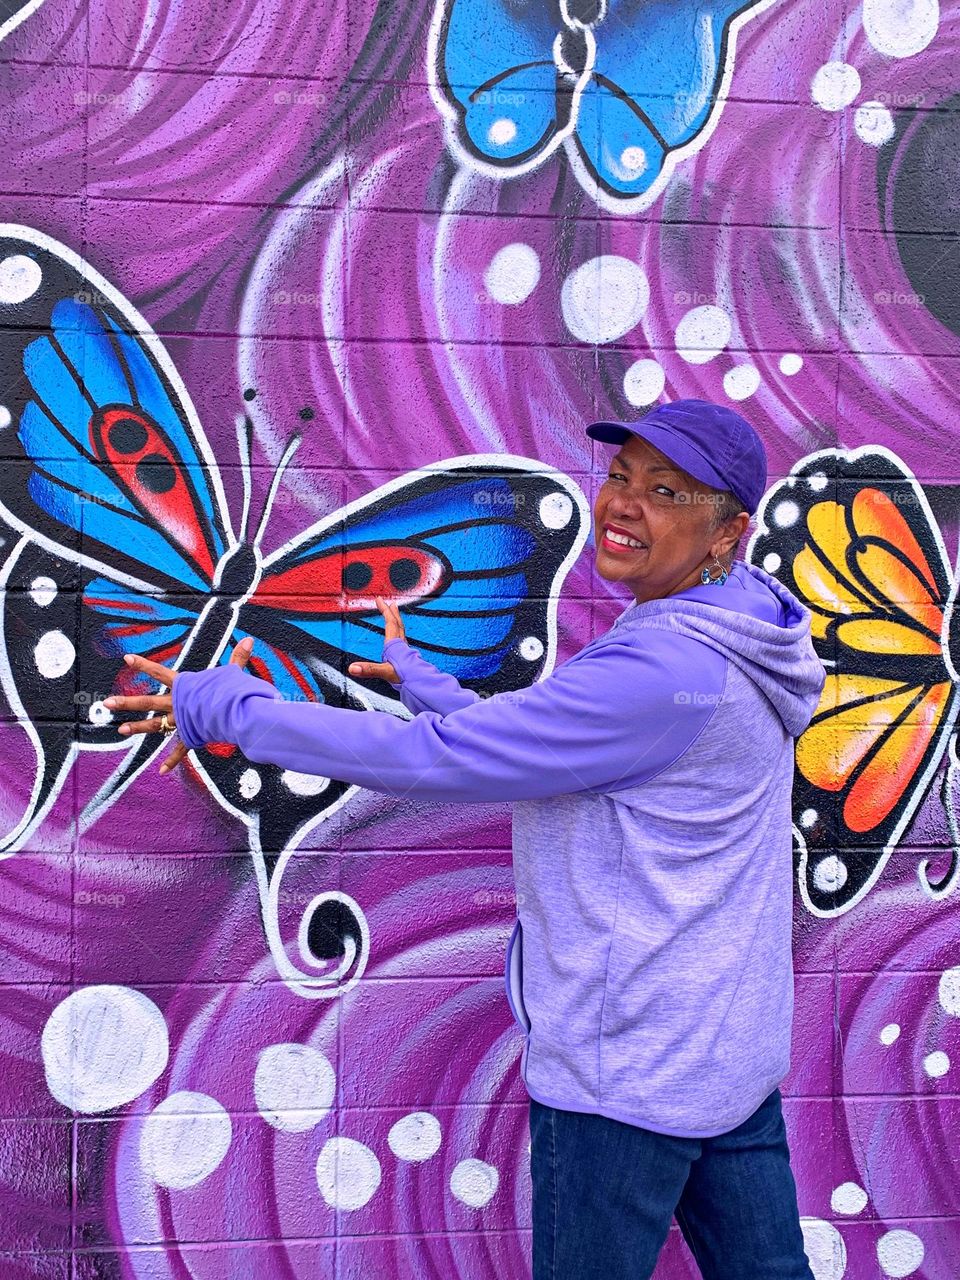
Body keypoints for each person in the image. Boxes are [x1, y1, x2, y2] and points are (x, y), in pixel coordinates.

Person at [104, 399, 824, 1279]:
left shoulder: (666, 670)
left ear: (728, 531)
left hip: (629, 1069)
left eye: (666, 491)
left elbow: (444, 761)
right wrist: (436, 690)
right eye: (622, 477)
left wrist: (229, 706)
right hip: (724, 1053)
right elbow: (571, 752)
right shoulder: (744, 633)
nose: (624, 505)